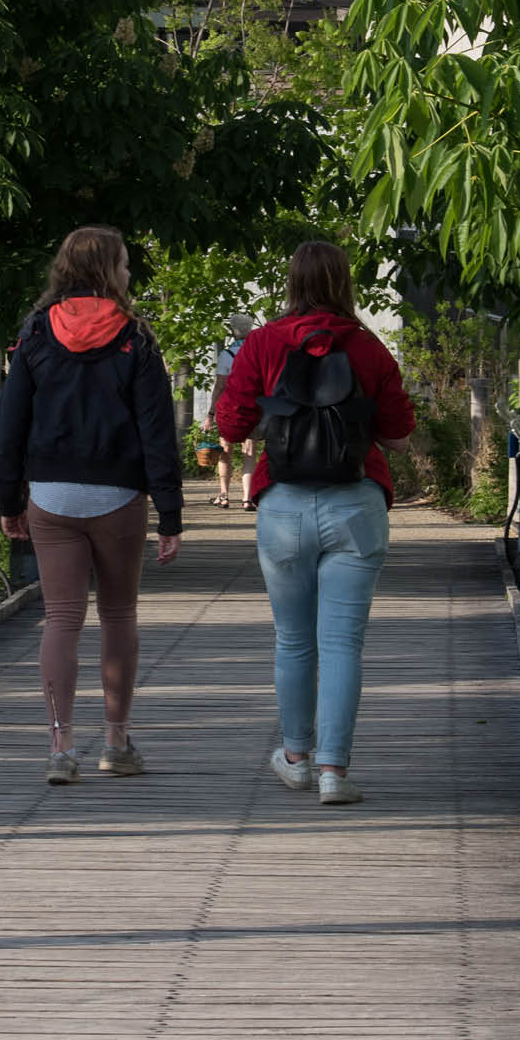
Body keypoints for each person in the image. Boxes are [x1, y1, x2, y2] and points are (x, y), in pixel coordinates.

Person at [215, 241, 415, 805]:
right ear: (344, 283)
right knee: (344, 644)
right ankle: (334, 772)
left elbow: (231, 423)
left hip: (282, 506)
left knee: (293, 641)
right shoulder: (369, 347)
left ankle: (296, 757)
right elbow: (399, 435)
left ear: (291, 283)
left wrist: (276, 424)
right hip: (355, 505)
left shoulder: (261, 343)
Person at [0, 225, 183, 785]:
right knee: (118, 615)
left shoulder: (34, 334)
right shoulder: (136, 338)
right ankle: (116, 743)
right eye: (124, 265)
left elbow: (8, 427)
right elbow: (156, 432)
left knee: (62, 619)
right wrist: (169, 513)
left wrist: (9, 498)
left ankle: (60, 749)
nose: (129, 274)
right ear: (106, 271)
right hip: (119, 496)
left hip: (50, 495)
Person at [204, 312, 258, 510]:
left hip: (229, 408)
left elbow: (219, 386)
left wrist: (210, 414)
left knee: (225, 451)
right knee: (249, 453)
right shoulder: (256, 352)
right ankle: (247, 498)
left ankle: (224, 496)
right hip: (252, 407)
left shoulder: (226, 355)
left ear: (233, 332)